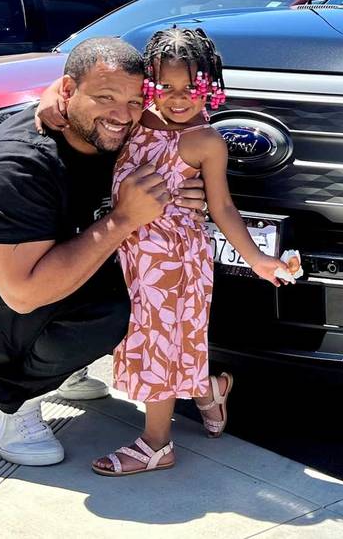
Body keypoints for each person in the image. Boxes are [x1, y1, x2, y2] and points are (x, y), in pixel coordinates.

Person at [0, 37, 207, 466]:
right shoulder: (18, 165)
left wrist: (181, 190)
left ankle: (62, 365)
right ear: (69, 91)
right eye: (105, 97)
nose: (122, 115)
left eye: (135, 100)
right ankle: (10, 400)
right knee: (111, 306)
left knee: (149, 275)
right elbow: (23, 294)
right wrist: (124, 219)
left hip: (28, 278)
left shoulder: (114, 131)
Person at [88, 28, 294, 477]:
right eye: (167, 87)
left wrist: (258, 258)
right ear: (149, 86)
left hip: (174, 260)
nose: (179, 99)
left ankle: (157, 443)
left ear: (211, 87)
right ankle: (210, 392)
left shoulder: (206, 142)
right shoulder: (134, 120)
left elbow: (221, 206)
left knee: (160, 342)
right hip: (129, 252)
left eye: (192, 88)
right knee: (155, 338)